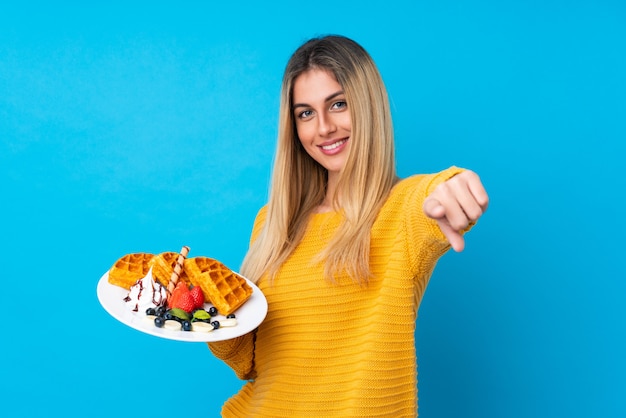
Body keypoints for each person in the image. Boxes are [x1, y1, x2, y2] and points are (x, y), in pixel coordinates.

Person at [208, 34, 489, 417]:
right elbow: (251, 362)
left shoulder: (400, 209)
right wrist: (212, 313)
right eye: (305, 113)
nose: (323, 128)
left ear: (368, 104)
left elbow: (430, 197)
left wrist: (452, 185)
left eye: (338, 104)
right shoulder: (271, 222)